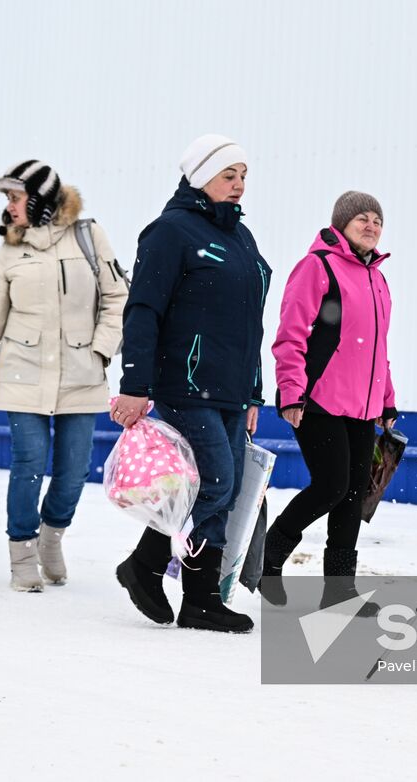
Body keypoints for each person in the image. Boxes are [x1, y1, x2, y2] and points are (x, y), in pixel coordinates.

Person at [112, 134, 271, 634]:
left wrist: (252, 392)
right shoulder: (170, 232)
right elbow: (143, 311)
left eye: (244, 175)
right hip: (184, 382)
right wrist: (135, 384)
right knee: (217, 481)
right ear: (201, 176)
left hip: (228, 388)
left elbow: (251, 325)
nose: (239, 184)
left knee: (221, 486)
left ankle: (200, 599)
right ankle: (146, 565)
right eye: (229, 175)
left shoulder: (240, 238)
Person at [0, 162, 127, 592]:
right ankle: (23, 552)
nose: (9, 208)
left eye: (14, 198)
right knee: (28, 463)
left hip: (81, 373)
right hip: (23, 373)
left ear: (39, 199)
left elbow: (117, 299)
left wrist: (102, 349)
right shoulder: (10, 249)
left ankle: (52, 538)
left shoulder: (88, 236)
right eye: (8, 199)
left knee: (74, 470)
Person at [263, 190, 396, 611]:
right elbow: (291, 334)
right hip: (317, 399)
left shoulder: (377, 278)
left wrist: (387, 401)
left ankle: (339, 592)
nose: (371, 224)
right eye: (362, 217)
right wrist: (290, 391)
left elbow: (378, 349)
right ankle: (270, 554)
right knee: (331, 486)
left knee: (353, 493)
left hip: (363, 406)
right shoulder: (317, 267)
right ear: (341, 224)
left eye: (377, 219)